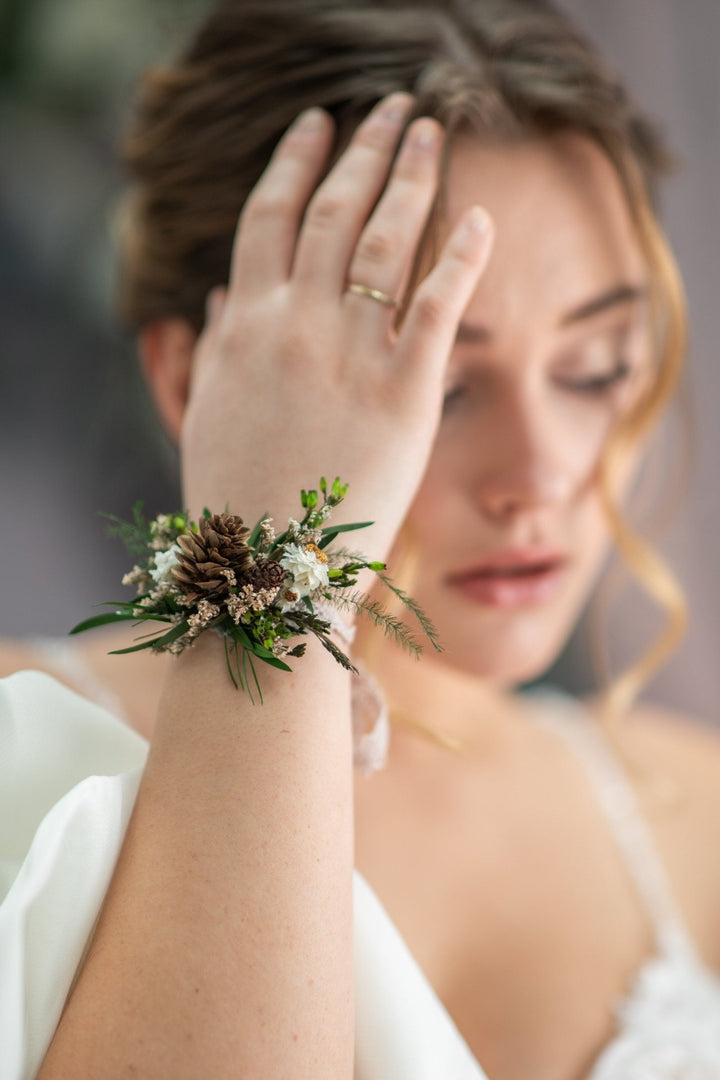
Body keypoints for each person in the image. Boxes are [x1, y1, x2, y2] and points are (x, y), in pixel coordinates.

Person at [2, 1, 720, 1077]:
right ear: (197, 385)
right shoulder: (19, 751)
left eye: (594, 369)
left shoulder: (697, 816)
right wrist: (280, 587)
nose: (541, 475)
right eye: (442, 386)